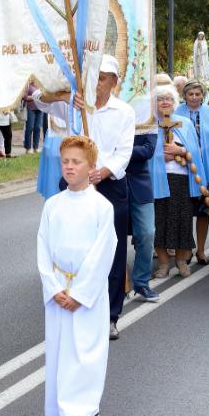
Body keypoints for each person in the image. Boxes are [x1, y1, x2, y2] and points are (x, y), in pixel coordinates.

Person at [35, 55, 135, 340]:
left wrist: (102, 172)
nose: (98, 82)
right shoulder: (75, 105)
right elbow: (40, 99)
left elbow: (124, 152)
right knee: (70, 244)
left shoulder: (124, 111)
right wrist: (69, 95)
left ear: (115, 82)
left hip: (109, 184)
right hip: (76, 185)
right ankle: (69, 297)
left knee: (111, 252)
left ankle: (110, 315)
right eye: (95, 76)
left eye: (103, 77)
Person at [37, 135, 117, 416]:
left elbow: (103, 252)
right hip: (59, 289)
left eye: (76, 162)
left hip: (87, 293)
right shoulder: (53, 205)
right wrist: (53, 286)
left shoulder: (101, 206)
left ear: (91, 166)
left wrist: (80, 293)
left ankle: (78, 415)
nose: (69, 167)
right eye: (65, 161)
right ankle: (70, 410)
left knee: (86, 350)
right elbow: (43, 247)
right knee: (61, 350)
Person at [149, 86, 206, 278]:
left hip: (181, 178)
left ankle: (181, 260)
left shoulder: (184, 123)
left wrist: (179, 151)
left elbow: (195, 151)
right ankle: (164, 263)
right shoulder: (148, 123)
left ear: (174, 102)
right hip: (157, 178)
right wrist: (160, 155)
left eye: (169, 98)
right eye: (160, 99)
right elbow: (144, 151)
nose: (165, 102)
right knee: (159, 222)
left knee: (182, 220)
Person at [175, 80, 209, 264]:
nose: (194, 98)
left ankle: (201, 250)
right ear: (184, 96)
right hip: (183, 170)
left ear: (202, 95)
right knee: (185, 212)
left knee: (204, 211)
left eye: (197, 94)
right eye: (190, 94)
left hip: (207, 170)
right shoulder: (177, 112)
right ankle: (187, 250)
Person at [125, 129, 159, 302]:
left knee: (147, 232)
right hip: (112, 182)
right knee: (114, 236)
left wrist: (120, 150)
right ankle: (120, 283)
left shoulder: (147, 117)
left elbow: (148, 150)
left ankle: (141, 282)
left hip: (140, 182)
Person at [23, 82, 47, 154]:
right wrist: (35, 97)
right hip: (30, 108)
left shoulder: (41, 84)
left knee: (37, 128)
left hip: (40, 109)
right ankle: (28, 148)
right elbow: (24, 97)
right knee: (29, 128)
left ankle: (36, 148)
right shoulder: (28, 85)